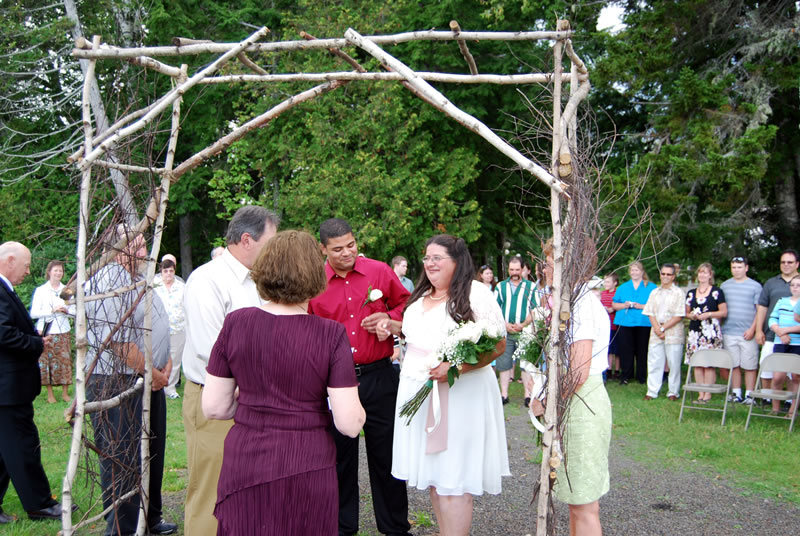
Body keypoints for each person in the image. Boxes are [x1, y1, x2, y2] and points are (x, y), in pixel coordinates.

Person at [202, 230, 365, 535]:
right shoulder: (330, 335)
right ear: (314, 274)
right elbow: (349, 424)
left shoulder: (236, 323)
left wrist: (252, 401)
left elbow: (214, 407)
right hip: (306, 460)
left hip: (246, 458)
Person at [384, 234, 510, 536]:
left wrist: (457, 367)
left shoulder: (475, 294)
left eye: (437, 258)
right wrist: (392, 327)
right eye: (427, 258)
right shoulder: (421, 294)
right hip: (420, 391)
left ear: (457, 261)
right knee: (436, 479)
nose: (429, 263)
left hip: (460, 398)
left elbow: (499, 344)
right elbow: (419, 335)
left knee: (454, 479)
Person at [308, 218, 412, 536]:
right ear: (323, 249)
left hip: (380, 375)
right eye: (338, 249)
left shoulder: (379, 271)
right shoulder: (313, 281)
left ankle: (395, 528)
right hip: (335, 382)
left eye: (351, 245)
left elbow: (407, 304)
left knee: (388, 456)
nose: (347, 253)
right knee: (338, 458)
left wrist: (390, 318)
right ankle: (341, 527)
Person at [181, 206, 279, 536]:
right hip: (215, 400)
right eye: (271, 242)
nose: (274, 250)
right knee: (212, 491)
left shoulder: (259, 281)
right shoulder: (207, 280)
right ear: (247, 240)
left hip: (255, 399)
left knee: (249, 490)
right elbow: (210, 349)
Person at [83, 229, 176, 535]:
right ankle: (123, 527)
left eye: (143, 245)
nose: (142, 252)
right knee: (123, 459)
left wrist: (164, 363)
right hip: (118, 383)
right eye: (134, 247)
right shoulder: (108, 281)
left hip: (147, 379)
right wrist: (152, 372)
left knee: (151, 452)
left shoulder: (136, 278)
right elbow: (118, 342)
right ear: (114, 248)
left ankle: (148, 518)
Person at [529, 238, 611, 536]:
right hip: (573, 401)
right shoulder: (570, 301)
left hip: (581, 403)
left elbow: (577, 371)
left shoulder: (582, 305)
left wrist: (545, 402)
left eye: (551, 263)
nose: (545, 269)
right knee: (575, 499)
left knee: (583, 501)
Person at [0, 242, 75, 524]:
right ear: (9, 260)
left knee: (5, 449)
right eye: (26, 265)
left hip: (9, 387)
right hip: (8, 388)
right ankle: (39, 504)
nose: (28, 271)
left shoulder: (5, 289)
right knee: (23, 446)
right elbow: (3, 333)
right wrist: (36, 343)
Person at [755, 249, 799, 391]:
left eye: (790, 262)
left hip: (796, 338)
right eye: (783, 262)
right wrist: (758, 330)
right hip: (771, 334)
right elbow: (762, 307)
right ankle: (767, 397)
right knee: (767, 369)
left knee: (794, 373)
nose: (786, 265)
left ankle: (790, 400)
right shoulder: (771, 283)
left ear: (797, 264)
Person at [719, 256, 762, 404]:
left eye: (739, 267)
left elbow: (759, 310)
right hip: (728, 331)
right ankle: (736, 393)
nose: (736, 270)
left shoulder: (755, 286)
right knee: (734, 364)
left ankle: (750, 395)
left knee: (750, 365)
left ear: (746, 268)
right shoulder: (725, 286)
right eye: (734, 267)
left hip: (747, 332)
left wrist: (753, 329)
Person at [29, 260, 72, 403]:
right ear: (49, 272)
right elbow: (33, 313)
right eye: (55, 270)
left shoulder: (67, 290)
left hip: (63, 329)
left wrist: (66, 311)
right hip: (46, 330)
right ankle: (50, 394)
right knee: (46, 361)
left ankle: (65, 393)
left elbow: (75, 311)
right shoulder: (41, 290)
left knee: (65, 360)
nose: (58, 273)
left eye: (60, 271)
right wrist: (51, 310)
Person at [495, 256, 536, 405]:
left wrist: (523, 324)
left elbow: (535, 309)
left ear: (522, 269)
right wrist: (504, 324)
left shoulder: (530, 286)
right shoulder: (501, 286)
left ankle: (527, 395)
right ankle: (504, 394)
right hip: (505, 331)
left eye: (517, 270)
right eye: (511, 270)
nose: (514, 273)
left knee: (525, 364)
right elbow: (495, 309)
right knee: (504, 363)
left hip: (524, 332)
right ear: (508, 270)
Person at [684, 263, 727, 404]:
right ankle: (700, 393)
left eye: (705, 272)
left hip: (710, 331)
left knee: (708, 363)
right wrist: (692, 315)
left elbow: (723, 312)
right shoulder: (691, 293)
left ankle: (708, 393)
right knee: (697, 363)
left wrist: (709, 314)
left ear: (710, 275)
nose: (702, 275)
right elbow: (686, 312)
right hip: (695, 331)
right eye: (700, 272)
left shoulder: (716, 292)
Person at [642, 263, 685, 400]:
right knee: (654, 361)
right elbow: (650, 312)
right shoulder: (654, 292)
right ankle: (652, 391)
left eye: (668, 274)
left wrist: (663, 328)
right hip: (656, 330)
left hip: (673, 331)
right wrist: (657, 328)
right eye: (663, 273)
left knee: (674, 363)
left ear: (673, 276)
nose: (665, 276)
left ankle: (673, 392)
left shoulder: (679, 293)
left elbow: (679, 315)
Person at [612, 261, 656, 385]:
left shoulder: (651, 287)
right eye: (632, 270)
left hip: (644, 322)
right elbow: (614, 304)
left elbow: (656, 305)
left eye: (637, 270)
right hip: (625, 322)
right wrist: (624, 305)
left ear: (642, 272)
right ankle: (626, 375)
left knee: (642, 350)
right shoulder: (623, 287)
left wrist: (641, 306)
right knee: (626, 350)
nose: (634, 272)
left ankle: (641, 376)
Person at [767, 274, 800, 416]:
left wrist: (786, 330)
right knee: (778, 377)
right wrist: (780, 333)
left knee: (796, 377)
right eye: (793, 285)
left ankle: (792, 410)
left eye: (798, 285)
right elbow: (772, 319)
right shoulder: (782, 301)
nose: (795, 288)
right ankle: (775, 408)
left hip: (797, 343)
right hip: (780, 342)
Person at [153, 259, 185, 399]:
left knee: (176, 358)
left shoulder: (181, 287)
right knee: (158, 357)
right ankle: (157, 383)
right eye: (165, 271)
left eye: (171, 271)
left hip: (178, 327)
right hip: (159, 328)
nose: (168, 274)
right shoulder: (155, 285)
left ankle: (170, 388)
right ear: (161, 272)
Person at [600, 273, 619, 378]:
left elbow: (617, 306)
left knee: (616, 349)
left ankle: (617, 370)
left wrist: (612, 308)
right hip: (605, 325)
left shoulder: (617, 294)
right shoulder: (602, 294)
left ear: (615, 283)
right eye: (605, 281)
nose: (605, 284)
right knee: (608, 348)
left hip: (614, 324)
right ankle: (608, 369)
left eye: (608, 282)